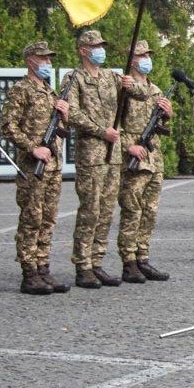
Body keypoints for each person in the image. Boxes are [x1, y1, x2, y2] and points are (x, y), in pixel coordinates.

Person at [63, 30, 143, 289]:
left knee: (107, 210)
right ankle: (83, 265)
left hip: (114, 155)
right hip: (91, 153)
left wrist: (133, 85)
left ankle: (97, 261)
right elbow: (71, 113)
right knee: (90, 209)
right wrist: (101, 131)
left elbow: (142, 95)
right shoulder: (74, 78)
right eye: (95, 46)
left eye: (101, 46)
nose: (100, 50)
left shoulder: (112, 76)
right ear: (83, 51)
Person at [0, 41, 70, 295]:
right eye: (44, 59)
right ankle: (29, 272)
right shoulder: (22, 90)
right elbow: (8, 126)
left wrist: (64, 114)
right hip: (33, 166)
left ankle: (43, 268)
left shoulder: (51, 93)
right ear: (31, 61)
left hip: (53, 166)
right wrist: (32, 148)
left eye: (50, 59)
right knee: (32, 218)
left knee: (49, 218)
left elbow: (64, 130)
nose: (48, 63)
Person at [117, 41, 174, 283]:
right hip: (133, 157)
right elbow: (112, 123)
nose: (146, 59)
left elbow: (162, 126)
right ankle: (128, 261)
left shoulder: (156, 90)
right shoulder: (123, 89)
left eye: (148, 55)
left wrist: (168, 114)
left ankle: (143, 257)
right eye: (142, 55)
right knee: (132, 209)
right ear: (132, 60)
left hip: (154, 158)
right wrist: (127, 146)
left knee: (150, 211)